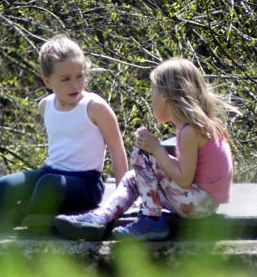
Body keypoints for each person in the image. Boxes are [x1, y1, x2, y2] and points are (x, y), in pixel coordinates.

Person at [53, 57, 238, 241]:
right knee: (134, 177)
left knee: (143, 154)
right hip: (202, 201)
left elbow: (184, 177)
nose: (151, 99)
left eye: (153, 92)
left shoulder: (190, 131)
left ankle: (152, 220)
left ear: (165, 95)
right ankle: (100, 217)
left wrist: (156, 149)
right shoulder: (196, 126)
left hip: (198, 204)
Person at [0, 35, 128, 241]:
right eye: (66, 79)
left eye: (80, 76)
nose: (75, 85)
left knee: (49, 185)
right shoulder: (45, 106)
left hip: (86, 183)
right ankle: (18, 213)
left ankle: (10, 217)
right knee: (2, 187)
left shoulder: (95, 107)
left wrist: (121, 198)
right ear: (48, 81)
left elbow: (117, 149)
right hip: (52, 173)